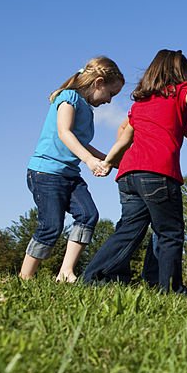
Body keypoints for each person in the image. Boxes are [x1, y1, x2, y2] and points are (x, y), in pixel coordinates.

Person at [83, 49, 187, 292]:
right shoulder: (178, 93)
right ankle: (170, 290)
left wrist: (108, 163)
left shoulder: (141, 103)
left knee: (128, 231)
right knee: (170, 233)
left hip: (129, 176)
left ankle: (92, 277)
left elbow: (127, 140)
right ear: (180, 73)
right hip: (158, 174)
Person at [21, 56, 124, 282]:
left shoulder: (87, 109)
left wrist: (110, 159)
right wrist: (88, 161)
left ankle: (65, 272)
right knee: (50, 226)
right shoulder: (69, 98)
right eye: (111, 94)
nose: (109, 101)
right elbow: (64, 132)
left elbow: (81, 142)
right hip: (45, 173)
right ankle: (25, 277)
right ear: (98, 83)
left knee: (88, 215)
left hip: (69, 174)